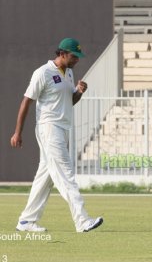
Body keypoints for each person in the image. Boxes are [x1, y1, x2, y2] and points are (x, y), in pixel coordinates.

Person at [10, 38, 103, 233]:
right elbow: (26, 102)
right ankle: (82, 220)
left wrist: (79, 91)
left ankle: (26, 221)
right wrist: (18, 132)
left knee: (46, 176)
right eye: (73, 56)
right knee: (65, 174)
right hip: (49, 128)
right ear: (62, 54)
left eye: (78, 56)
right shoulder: (42, 73)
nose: (77, 60)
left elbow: (70, 101)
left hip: (62, 128)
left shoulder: (68, 72)